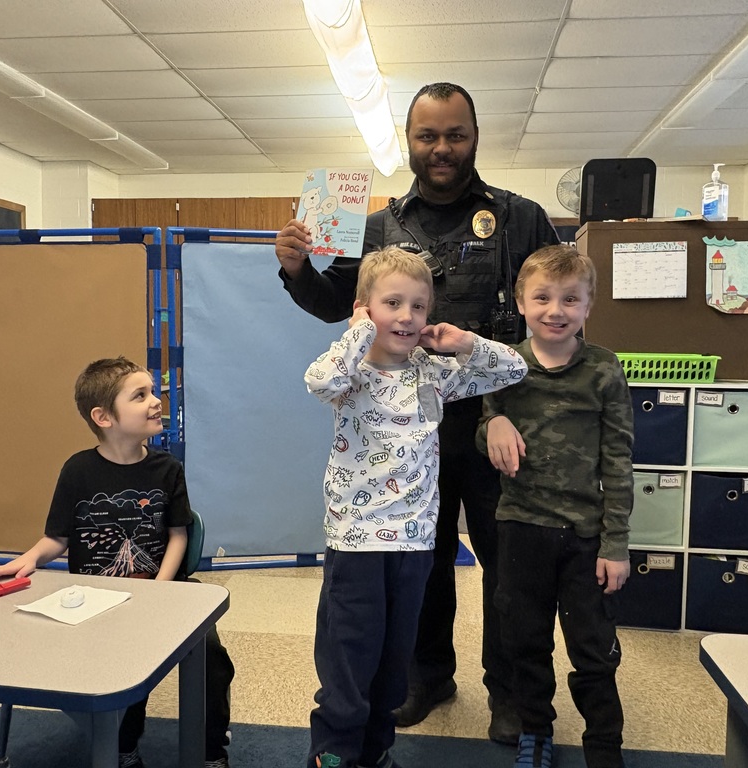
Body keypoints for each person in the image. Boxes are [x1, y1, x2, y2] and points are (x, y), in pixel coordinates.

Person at [276, 81, 558, 742]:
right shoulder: (379, 227)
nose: (441, 148)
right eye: (427, 135)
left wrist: (513, 408)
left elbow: (548, 322)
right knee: (421, 561)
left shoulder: (521, 218)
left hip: (496, 422)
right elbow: (338, 305)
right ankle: (426, 676)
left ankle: (509, 692)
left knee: (508, 567)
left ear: (475, 136)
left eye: (454, 134)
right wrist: (295, 270)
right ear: (409, 141)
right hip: (408, 431)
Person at [303, 247, 527, 768]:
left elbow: (512, 369)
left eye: (419, 306)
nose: (406, 317)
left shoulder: (432, 371)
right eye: (393, 303)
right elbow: (319, 382)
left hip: (416, 543)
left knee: (392, 664)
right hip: (358, 540)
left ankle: (376, 751)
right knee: (348, 661)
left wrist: (464, 342)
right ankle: (332, 757)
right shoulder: (351, 370)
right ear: (365, 307)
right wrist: (358, 331)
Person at [0, 357, 235, 768]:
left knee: (209, 655)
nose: (157, 401)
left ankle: (209, 751)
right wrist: (29, 559)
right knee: (120, 665)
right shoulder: (78, 471)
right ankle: (123, 747)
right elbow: (57, 538)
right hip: (95, 598)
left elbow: (178, 535)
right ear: (103, 417)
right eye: (141, 395)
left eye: (154, 391)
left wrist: (159, 587)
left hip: (164, 589)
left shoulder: (167, 469)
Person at [477, 245, 633, 768]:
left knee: (593, 647)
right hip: (521, 527)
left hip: (586, 534)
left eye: (571, 299)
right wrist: (492, 423)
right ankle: (535, 732)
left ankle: (604, 745)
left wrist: (615, 543)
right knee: (525, 641)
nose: (555, 310)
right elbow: (484, 431)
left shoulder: (604, 370)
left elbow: (618, 460)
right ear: (521, 302)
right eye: (542, 297)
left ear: (589, 306)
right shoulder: (504, 365)